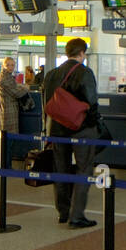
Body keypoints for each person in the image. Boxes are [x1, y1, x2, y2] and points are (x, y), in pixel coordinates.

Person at [44, 38, 99, 228]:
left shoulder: (51, 74)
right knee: (84, 169)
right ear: (82, 53)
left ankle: (63, 212)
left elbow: (48, 104)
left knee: (61, 169)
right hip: (81, 129)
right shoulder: (84, 72)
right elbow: (92, 102)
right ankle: (77, 216)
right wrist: (93, 124)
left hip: (57, 129)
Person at [0, 57, 32, 167]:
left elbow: (14, 87)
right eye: (8, 65)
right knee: (6, 142)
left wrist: (21, 86)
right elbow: (16, 92)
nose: (11, 67)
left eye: (13, 65)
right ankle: (5, 166)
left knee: (1, 140)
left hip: (4, 109)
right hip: (7, 111)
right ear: (3, 65)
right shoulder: (6, 77)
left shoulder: (4, 76)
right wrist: (26, 88)